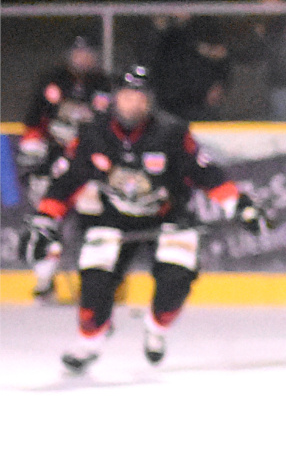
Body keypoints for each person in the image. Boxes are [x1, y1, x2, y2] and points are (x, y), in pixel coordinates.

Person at [19, 66, 269, 373]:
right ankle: (90, 341)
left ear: (149, 101)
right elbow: (67, 181)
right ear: (115, 99)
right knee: (95, 281)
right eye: (126, 97)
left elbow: (205, 173)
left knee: (176, 279)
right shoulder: (93, 132)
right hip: (113, 217)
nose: (132, 104)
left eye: (139, 98)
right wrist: (45, 219)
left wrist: (239, 205)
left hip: (168, 216)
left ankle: (156, 328)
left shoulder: (171, 132)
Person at [15, 36, 112, 302]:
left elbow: (111, 130)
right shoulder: (52, 81)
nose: (83, 57)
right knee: (45, 222)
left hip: (88, 167)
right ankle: (44, 280)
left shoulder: (105, 85)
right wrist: (33, 160)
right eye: (78, 52)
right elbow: (34, 124)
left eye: (88, 52)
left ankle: (95, 284)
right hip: (52, 164)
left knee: (92, 224)